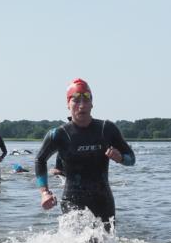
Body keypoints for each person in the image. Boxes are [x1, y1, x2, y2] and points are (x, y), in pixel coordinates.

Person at [35, 79, 135, 228]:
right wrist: (44, 192)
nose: (81, 105)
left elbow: (131, 159)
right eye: (76, 101)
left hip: (103, 201)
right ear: (68, 104)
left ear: (92, 103)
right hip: (72, 202)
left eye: (86, 100)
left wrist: (120, 158)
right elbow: (40, 160)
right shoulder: (58, 134)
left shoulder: (106, 129)